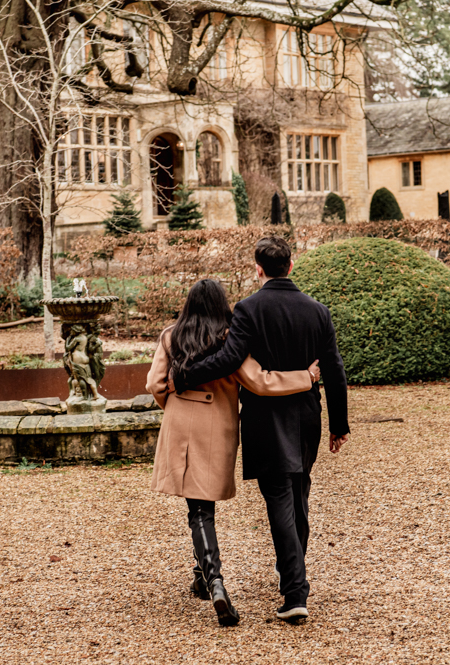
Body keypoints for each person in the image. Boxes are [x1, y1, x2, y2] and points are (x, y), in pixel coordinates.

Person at [173, 236, 349, 623]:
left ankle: (295, 591)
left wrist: (185, 375)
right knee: (298, 494)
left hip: (265, 419)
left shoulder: (248, 309)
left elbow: (230, 359)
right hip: (307, 414)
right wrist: (339, 423)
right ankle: (293, 580)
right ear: (291, 265)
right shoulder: (318, 311)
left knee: (281, 499)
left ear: (258, 269)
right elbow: (334, 368)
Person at [146, 278, 321, 627]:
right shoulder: (230, 337)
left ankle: (211, 579)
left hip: (180, 422)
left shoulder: (171, 335)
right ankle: (206, 578)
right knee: (203, 499)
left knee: (198, 507)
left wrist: (176, 408)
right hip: (217, 427)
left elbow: (155, 384)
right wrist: (306, 377)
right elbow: (260, 381)